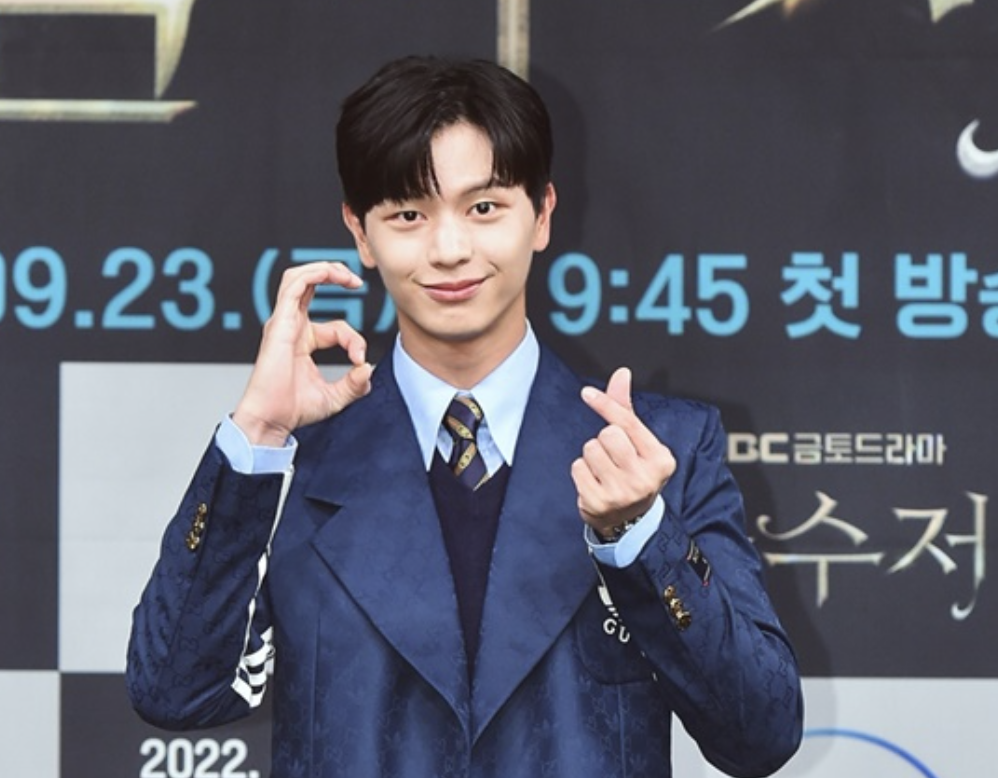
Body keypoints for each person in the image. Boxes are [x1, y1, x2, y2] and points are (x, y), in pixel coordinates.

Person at [127, 55, 803, 778]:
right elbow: (174, 693)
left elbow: (760, 733)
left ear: (542, 214)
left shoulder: (656, 452)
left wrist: (640, 535)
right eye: (409, 215)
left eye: (484, 209)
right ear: (361, 232)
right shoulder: (291, 461)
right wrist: (259, 436)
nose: (450, 250)